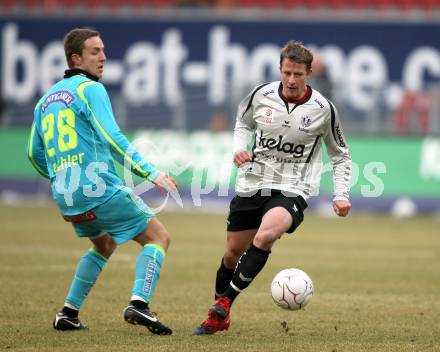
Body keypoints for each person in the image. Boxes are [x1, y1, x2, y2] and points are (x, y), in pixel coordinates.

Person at [192, 40, 352, 335]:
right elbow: (243, 123)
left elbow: (340, 154)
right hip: (253, 182)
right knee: (231, 254)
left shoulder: (323, 109)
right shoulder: (260, 95)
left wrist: (341, 194)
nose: (292, 80)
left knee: (267, 234)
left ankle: (224, 303)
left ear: (309, 73)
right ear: (280, 69)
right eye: (287, 73)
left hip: (294, 186)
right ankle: (218, 316)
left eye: (298, 75)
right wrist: (239, 148)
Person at [27, 28, 177, 335]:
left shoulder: (43, 101)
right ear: (76, 58)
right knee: (158, 237)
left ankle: (68, 313)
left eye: (103, 50)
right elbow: (113, 137)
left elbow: (33, 153)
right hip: (98, 189)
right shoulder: (89, 89)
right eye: (95, 51)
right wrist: (150, 172)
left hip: (66, 198)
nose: (104, 57)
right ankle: (139, 303)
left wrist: (62, 177)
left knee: (105, 243)